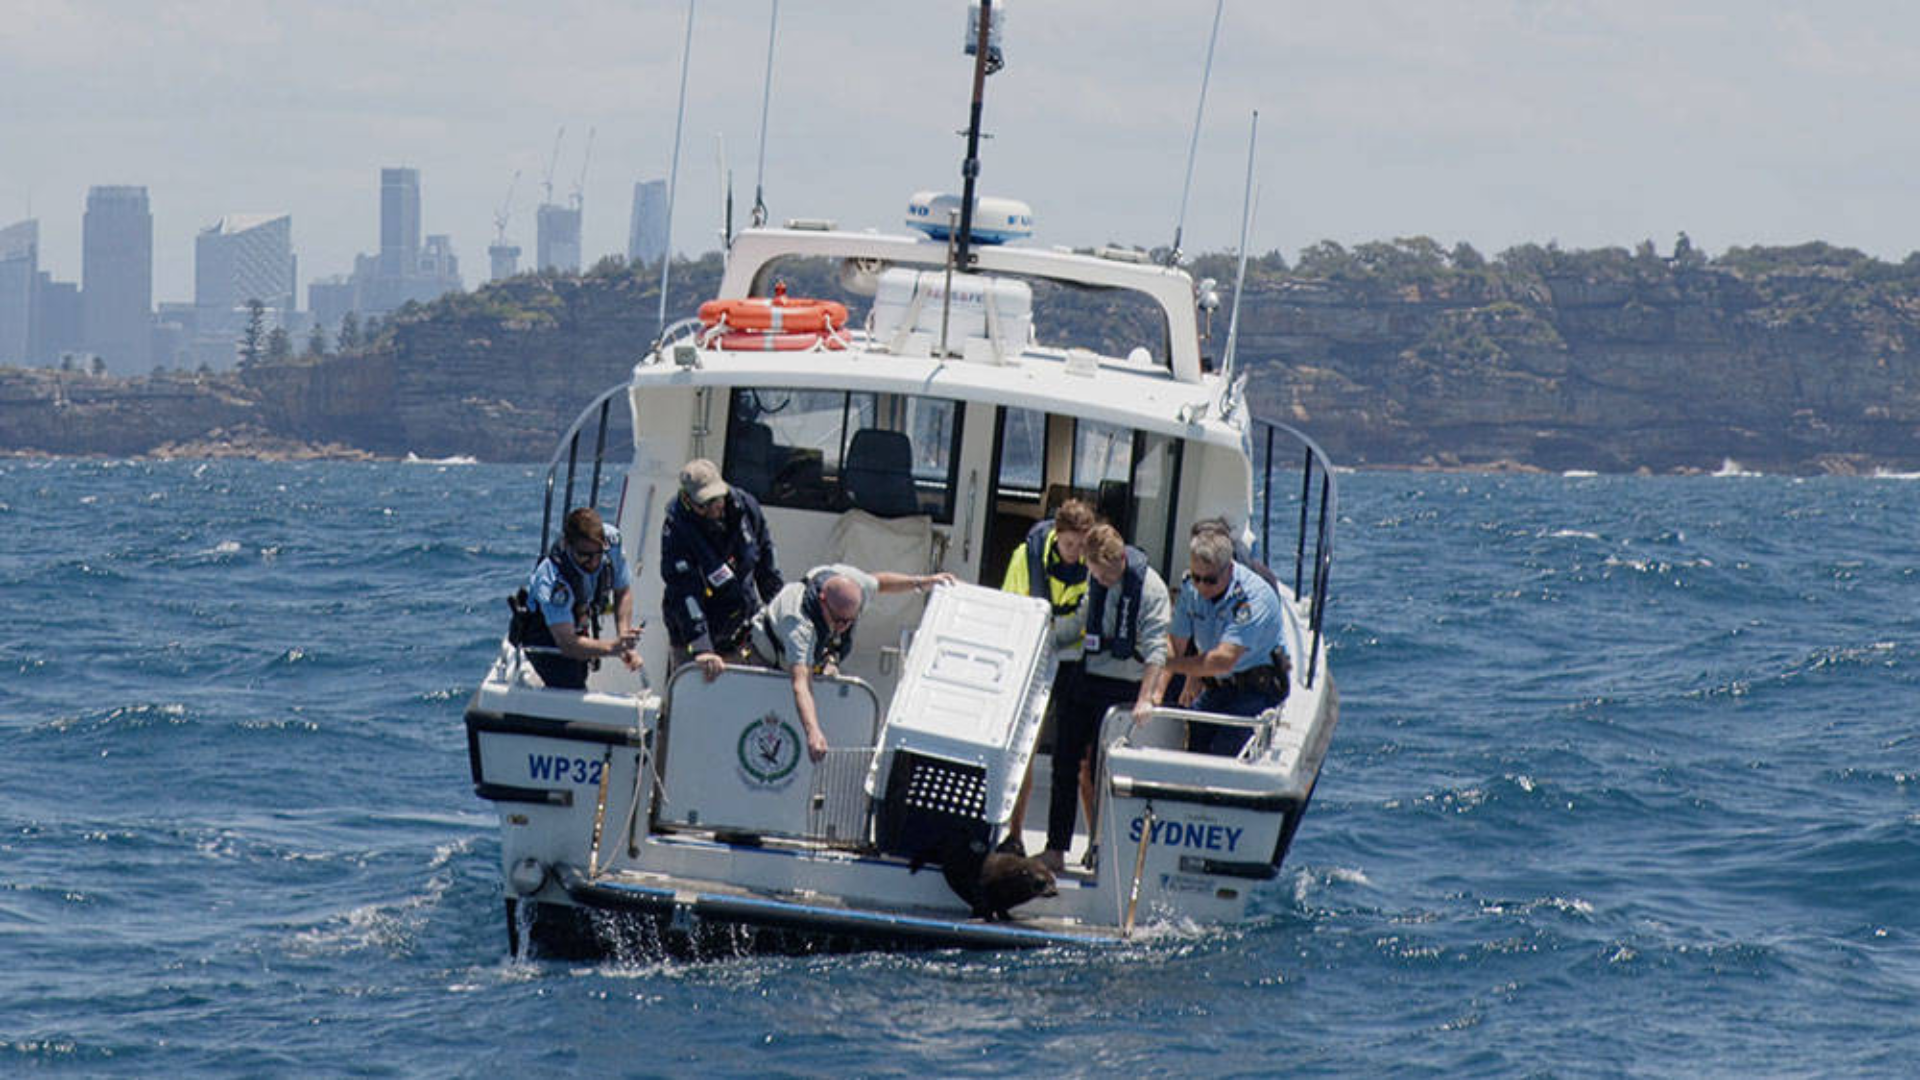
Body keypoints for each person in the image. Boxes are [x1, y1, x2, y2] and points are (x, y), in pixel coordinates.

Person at [1043, 523, 1171, 871]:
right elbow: (1082, 620)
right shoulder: (1095, 579)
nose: (1097, 580)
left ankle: (1104, 849)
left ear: (1117, 562)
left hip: (1124, 687)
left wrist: (1146, 698)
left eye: (1102, 574)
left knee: (1105, 773)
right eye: (1093, 574)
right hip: (1088, 679)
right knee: (1064, 763)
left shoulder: (1151, 590)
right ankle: (1055, 849)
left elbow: (1158, 650)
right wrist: (1046, 636)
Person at [748, 564, 956, 763]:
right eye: (838, 621)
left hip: (815, 659)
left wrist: (922, 582)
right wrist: (813, 732)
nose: (842, 628)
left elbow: (880, 583)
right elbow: (801, 684)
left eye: (849, 622)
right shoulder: (799, 626)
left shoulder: (853, 584)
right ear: (822, 600)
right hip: (766, 659)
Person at [996, 498, 1096, 865]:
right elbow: (1012, 605)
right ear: (1057, 536)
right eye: (1070, 545)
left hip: (1074, 667)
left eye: (1082, 546)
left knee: (1079, 762)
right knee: (1023, 751)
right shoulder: (1026, 556)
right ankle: (1014, 835)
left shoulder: (1093, 563)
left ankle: (1093, 843)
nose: (1075, 554)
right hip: (1034, 660)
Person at [1158, 526, 1287, 756]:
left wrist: (1169, 664)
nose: (1201, 586)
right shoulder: (1191, 589)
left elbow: (1222, 660)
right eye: (1197, 577)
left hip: (1256, 689)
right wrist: (1155, 692)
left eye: (1210, 580)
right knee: (1195, 743)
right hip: (1218, 686)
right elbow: (1175, 643)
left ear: (1228, 569)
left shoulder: (1252, 600)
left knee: (1224, 752)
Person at [660, 458, 783, 681]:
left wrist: (782, 618)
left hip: (743, 627)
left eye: (716, 498)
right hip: (694, 630)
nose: (713, 507)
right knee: (695, 696)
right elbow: (684, 591)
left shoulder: (746, 507)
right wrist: (702, 647)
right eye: (704, 503)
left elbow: (767, 569)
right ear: (688, 500)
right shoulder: (676, 528)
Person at [522, 506, 642, 690]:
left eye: (598, 554)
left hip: (578, 620)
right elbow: (568, 644)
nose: (593, 562)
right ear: (569, 546)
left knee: (581, 670)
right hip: (547, 633)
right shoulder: (552, 579)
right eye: (584, 556)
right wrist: (613, 648)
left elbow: (622, 592)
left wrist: (624, 638)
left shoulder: (612, 541)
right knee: (571, 685)